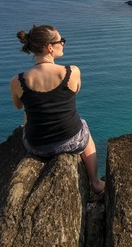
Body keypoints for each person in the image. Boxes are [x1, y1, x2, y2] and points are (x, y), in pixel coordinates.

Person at [9, 24, 105, 194]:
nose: (63, 43)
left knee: (26, 116)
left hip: (37, 146)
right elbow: (75, 90)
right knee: (83, 126)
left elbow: (18, 106)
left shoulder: (18, 80)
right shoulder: (71, 72)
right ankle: (95, 182)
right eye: (61, 41)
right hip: (70, 139)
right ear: (49, 47)